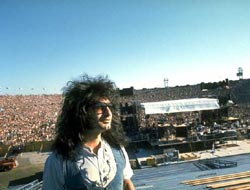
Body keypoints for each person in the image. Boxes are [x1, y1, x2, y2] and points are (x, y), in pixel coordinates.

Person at [42, 74, 135, 190]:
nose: (108, 113)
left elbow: (126, 182)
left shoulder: (118, 150)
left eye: (109, 107)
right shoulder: (58, 162)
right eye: (100, 107)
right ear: (82, 112)